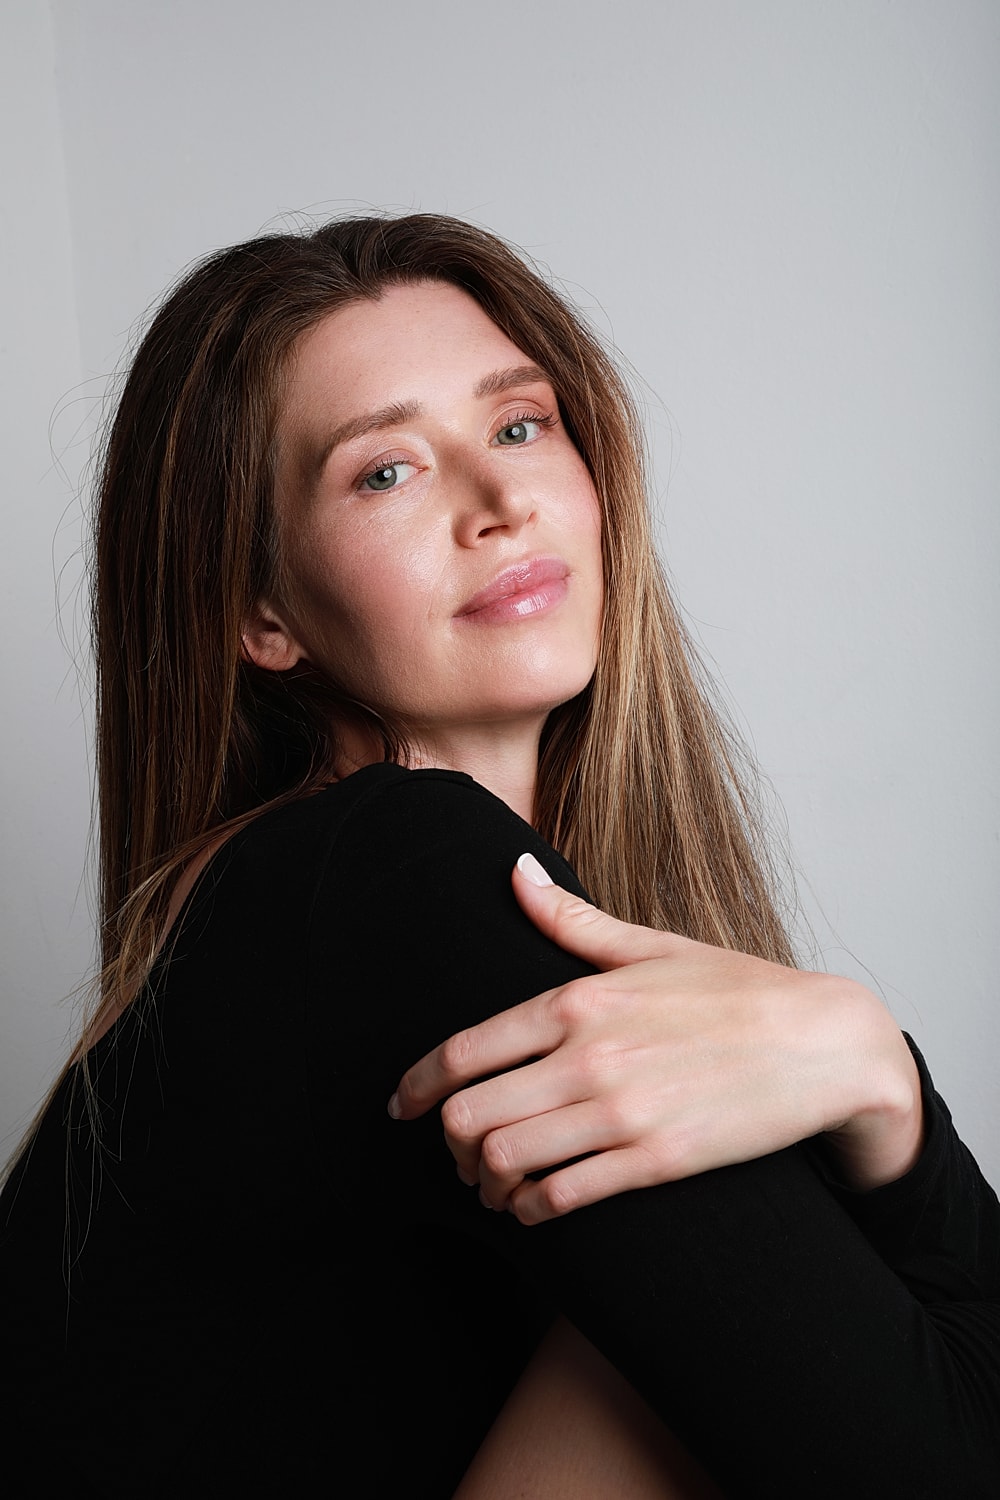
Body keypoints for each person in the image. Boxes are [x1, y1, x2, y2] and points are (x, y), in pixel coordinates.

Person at [1, 213, 997, 1499]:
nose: (500, 500)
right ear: (262, 612)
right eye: (384, 472)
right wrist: (877, 1079)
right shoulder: (386, 872)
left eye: (520, 425)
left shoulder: (310, 904)